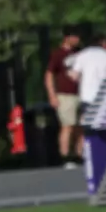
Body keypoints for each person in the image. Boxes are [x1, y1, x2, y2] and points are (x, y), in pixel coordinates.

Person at [45, 27, 83, 167]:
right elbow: (49, 75)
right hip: (65, 95)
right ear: (67, 38)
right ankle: (65, 156)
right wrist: (52, 95)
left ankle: (80, 155)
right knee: (67, 126)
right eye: (75, 37)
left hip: (81, 94)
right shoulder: (58, 54)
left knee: (80, 127)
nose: (77, 40)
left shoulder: (80, 53)